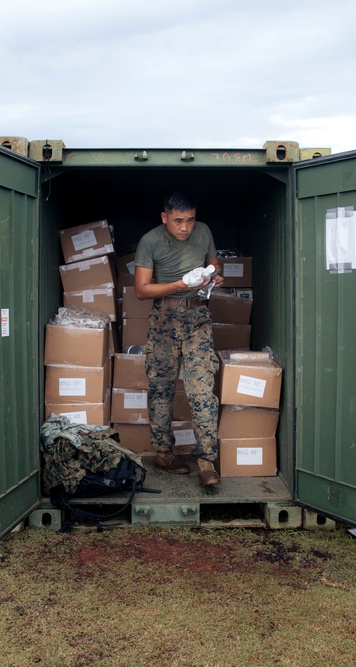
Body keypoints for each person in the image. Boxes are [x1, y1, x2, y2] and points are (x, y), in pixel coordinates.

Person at [133, 192, 224, 487]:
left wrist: (215, 276)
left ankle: (206, 461)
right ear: (164, 218)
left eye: (190, 220)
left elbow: (215, 264)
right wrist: (179, 284)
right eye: (178, 221)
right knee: (161, 389)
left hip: (198, 318)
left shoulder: (204, 231)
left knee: (201, 391)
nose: (185, 227)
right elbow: (141, 291)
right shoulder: (150, 241)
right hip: (164, 320)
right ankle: (163, 453)